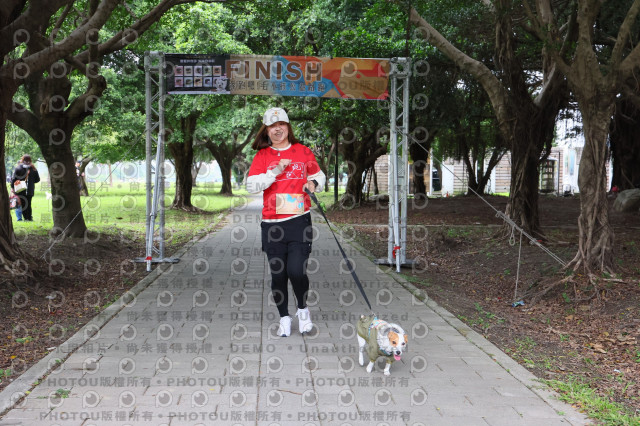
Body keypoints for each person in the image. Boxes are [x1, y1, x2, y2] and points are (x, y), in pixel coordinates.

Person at [246, 107, 326, 337]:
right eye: (272, 126)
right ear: (266, 131)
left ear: (288, 127)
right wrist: (275, 172)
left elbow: (318, 176)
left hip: (298, 221)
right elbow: (251, 186)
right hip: (271, 224)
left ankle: (303, 311)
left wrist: (313, 184)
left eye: (281, 124)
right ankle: (284, 318)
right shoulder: (262, 156)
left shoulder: (303, 151)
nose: (277, 129)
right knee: (278, 275)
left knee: (297, 271)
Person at [11, 154, 40, 222]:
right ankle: (29, 218)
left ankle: (26, 218)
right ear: (30, 160)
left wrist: (12, 188)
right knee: (29, 204)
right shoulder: (33, 169)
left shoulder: (18, 168)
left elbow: (14, 179)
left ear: (22, 159)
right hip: (30, 190)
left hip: (21, 189)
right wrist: (31, 182)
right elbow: (37, 180)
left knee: (23, 204)